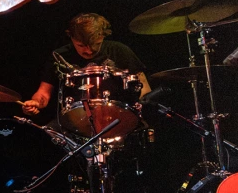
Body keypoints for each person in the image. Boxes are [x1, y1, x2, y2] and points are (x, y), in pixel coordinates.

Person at [22, 12, 151, 116]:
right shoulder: (59, 56)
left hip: (118, 116)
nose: (89, 51)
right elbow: (43, 93)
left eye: (96, 44)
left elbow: (144, 86)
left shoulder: (119, 50)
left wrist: (138, 108)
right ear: (71, 37)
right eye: (81, 46)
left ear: (103, 36)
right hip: (77, 118)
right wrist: (36, 102)